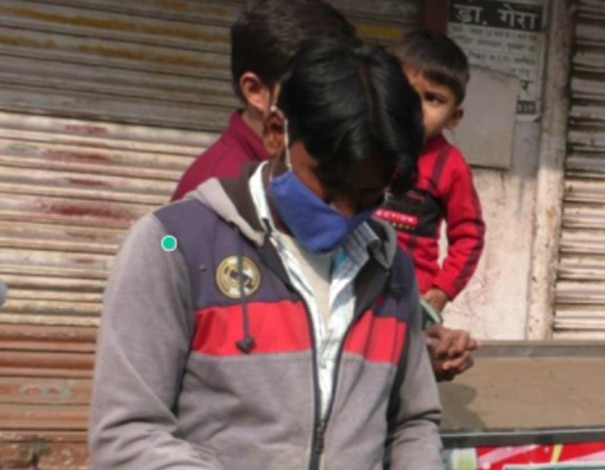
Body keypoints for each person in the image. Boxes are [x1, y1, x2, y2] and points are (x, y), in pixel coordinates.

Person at [89, 39, 462, 470]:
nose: (345, 213)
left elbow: (410, 421)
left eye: (366, 195)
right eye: (329, 186)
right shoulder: (172, 245)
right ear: (276, 133)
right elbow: (126, 435)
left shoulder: (390, 267)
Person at [171, 3, 477, 382]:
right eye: (315, 82)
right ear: (261, 101)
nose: (344, 211)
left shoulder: (372, 235)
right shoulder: (208, 205)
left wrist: (410, 353)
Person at [171, 0, 356, 201]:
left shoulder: (314, 165)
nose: (334, 98)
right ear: (255, 91)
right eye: (315, 86)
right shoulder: (220, 194)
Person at [375, 30, 486, 317]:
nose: (416, 107)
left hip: (410, 298)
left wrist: (443, 289)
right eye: (407, 93)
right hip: (350, 287)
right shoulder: (364, 144)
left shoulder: (451, 166)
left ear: (454, 117)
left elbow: (469, 235)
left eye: (433, 99)